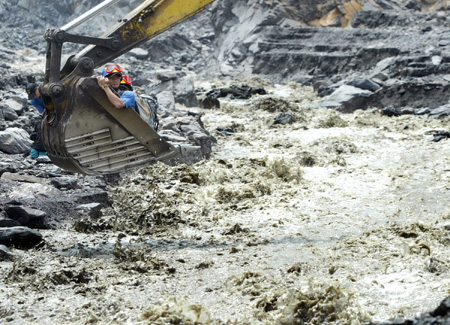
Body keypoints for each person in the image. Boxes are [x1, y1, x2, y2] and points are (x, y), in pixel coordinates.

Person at [26, 83, 47, 159]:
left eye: (34, 94)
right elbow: (43, 112)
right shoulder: (34, 101)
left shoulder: (46, 91)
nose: (34, 97)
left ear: (37, 89)